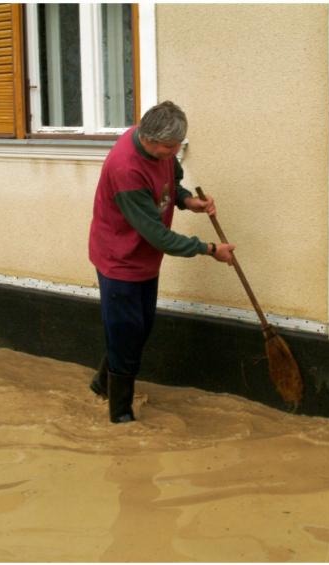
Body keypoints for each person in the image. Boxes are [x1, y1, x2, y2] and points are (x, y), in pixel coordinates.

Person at [87, 101, 235, 423]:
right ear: (148, 139)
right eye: (170, 148)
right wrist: (210, 249)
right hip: (119, 260)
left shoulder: (163, 151)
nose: (175, 152)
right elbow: (160, 237)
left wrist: (189, 202)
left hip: (143, 259)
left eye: (178, 145)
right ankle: (121, 416)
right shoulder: (126, 169)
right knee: (127, 334)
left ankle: (101, 384)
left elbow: (172, 186)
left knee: (137, 329)